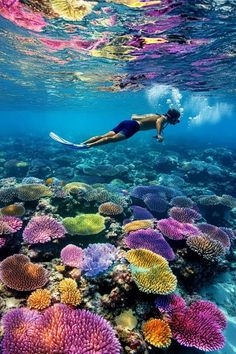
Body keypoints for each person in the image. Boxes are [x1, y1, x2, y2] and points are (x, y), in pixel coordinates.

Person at [49, 108, 180, 150]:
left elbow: (134, 116)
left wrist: (158, 130)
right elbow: (159, 122)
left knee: (104, 135)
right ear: (172, 117)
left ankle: (82, 143)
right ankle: (86, 147)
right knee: (111, 140)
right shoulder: (162, 119)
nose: (176, 122)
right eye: (176, 120)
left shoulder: (155, 114)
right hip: (134, 127)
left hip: (127, 122)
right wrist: (159, 134)